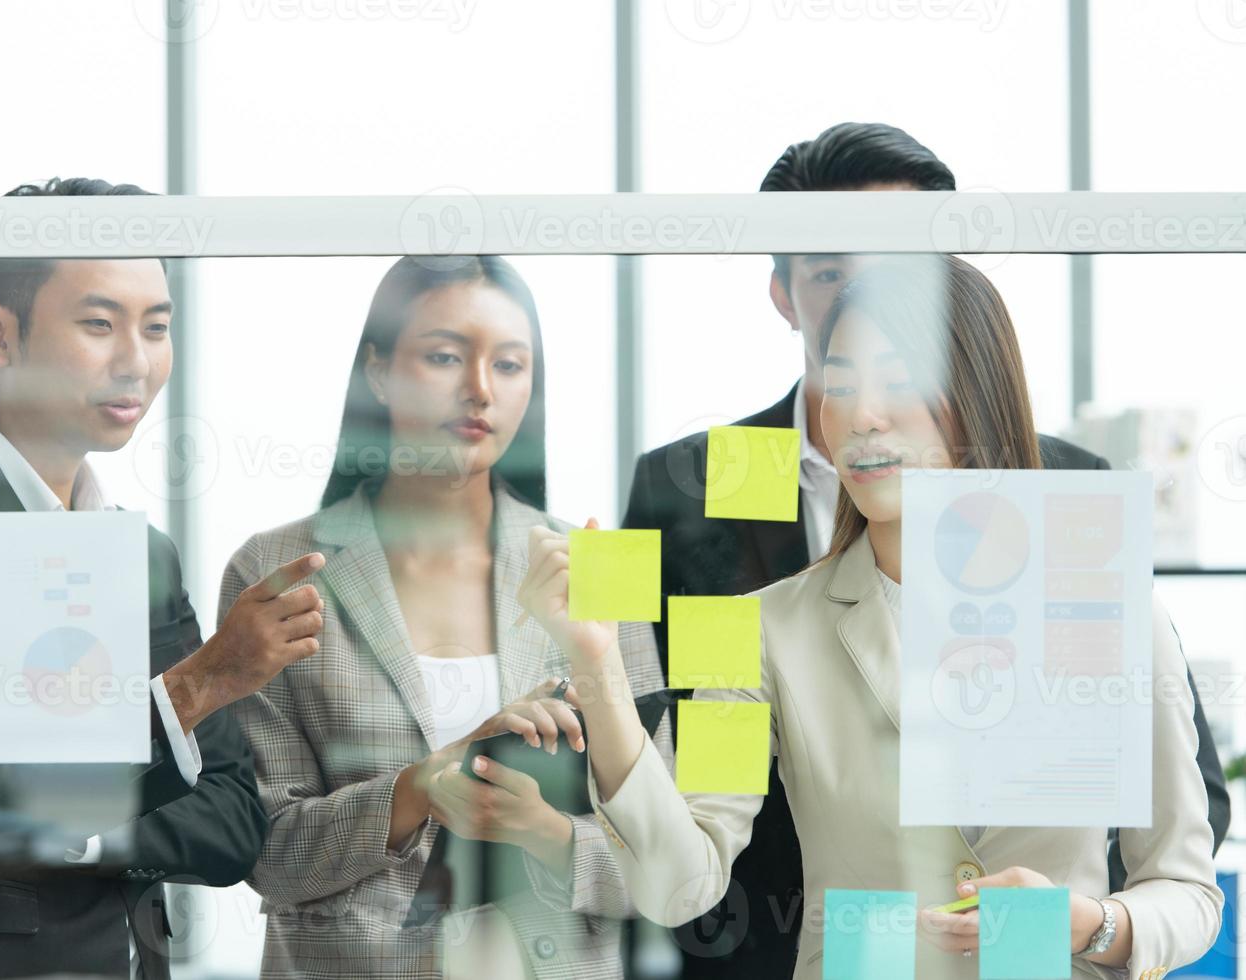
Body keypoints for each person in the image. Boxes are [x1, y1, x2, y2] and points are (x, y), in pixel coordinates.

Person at [620, 121, 1229, 977]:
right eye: (834, 266)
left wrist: (1080, 924)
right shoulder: (701, 486)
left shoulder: (1077, 520)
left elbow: (1179, 844)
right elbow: (680, 788)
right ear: (783, 290)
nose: (873, 288)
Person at [0, 177, 324, 979]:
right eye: (99, 324)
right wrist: (192, 692)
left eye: (157, 327)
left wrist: (38, 822)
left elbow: (234, 826)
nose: (136, 361)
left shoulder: (142, 553)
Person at [222, 256, 672, 979]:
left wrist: (550, 834)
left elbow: (666, 862)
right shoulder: (278, 569)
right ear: (378, 372)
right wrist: (420, 787)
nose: (481, 391)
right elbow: (264, 852)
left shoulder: (597, 571)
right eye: (443, 357)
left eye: (511, 364)